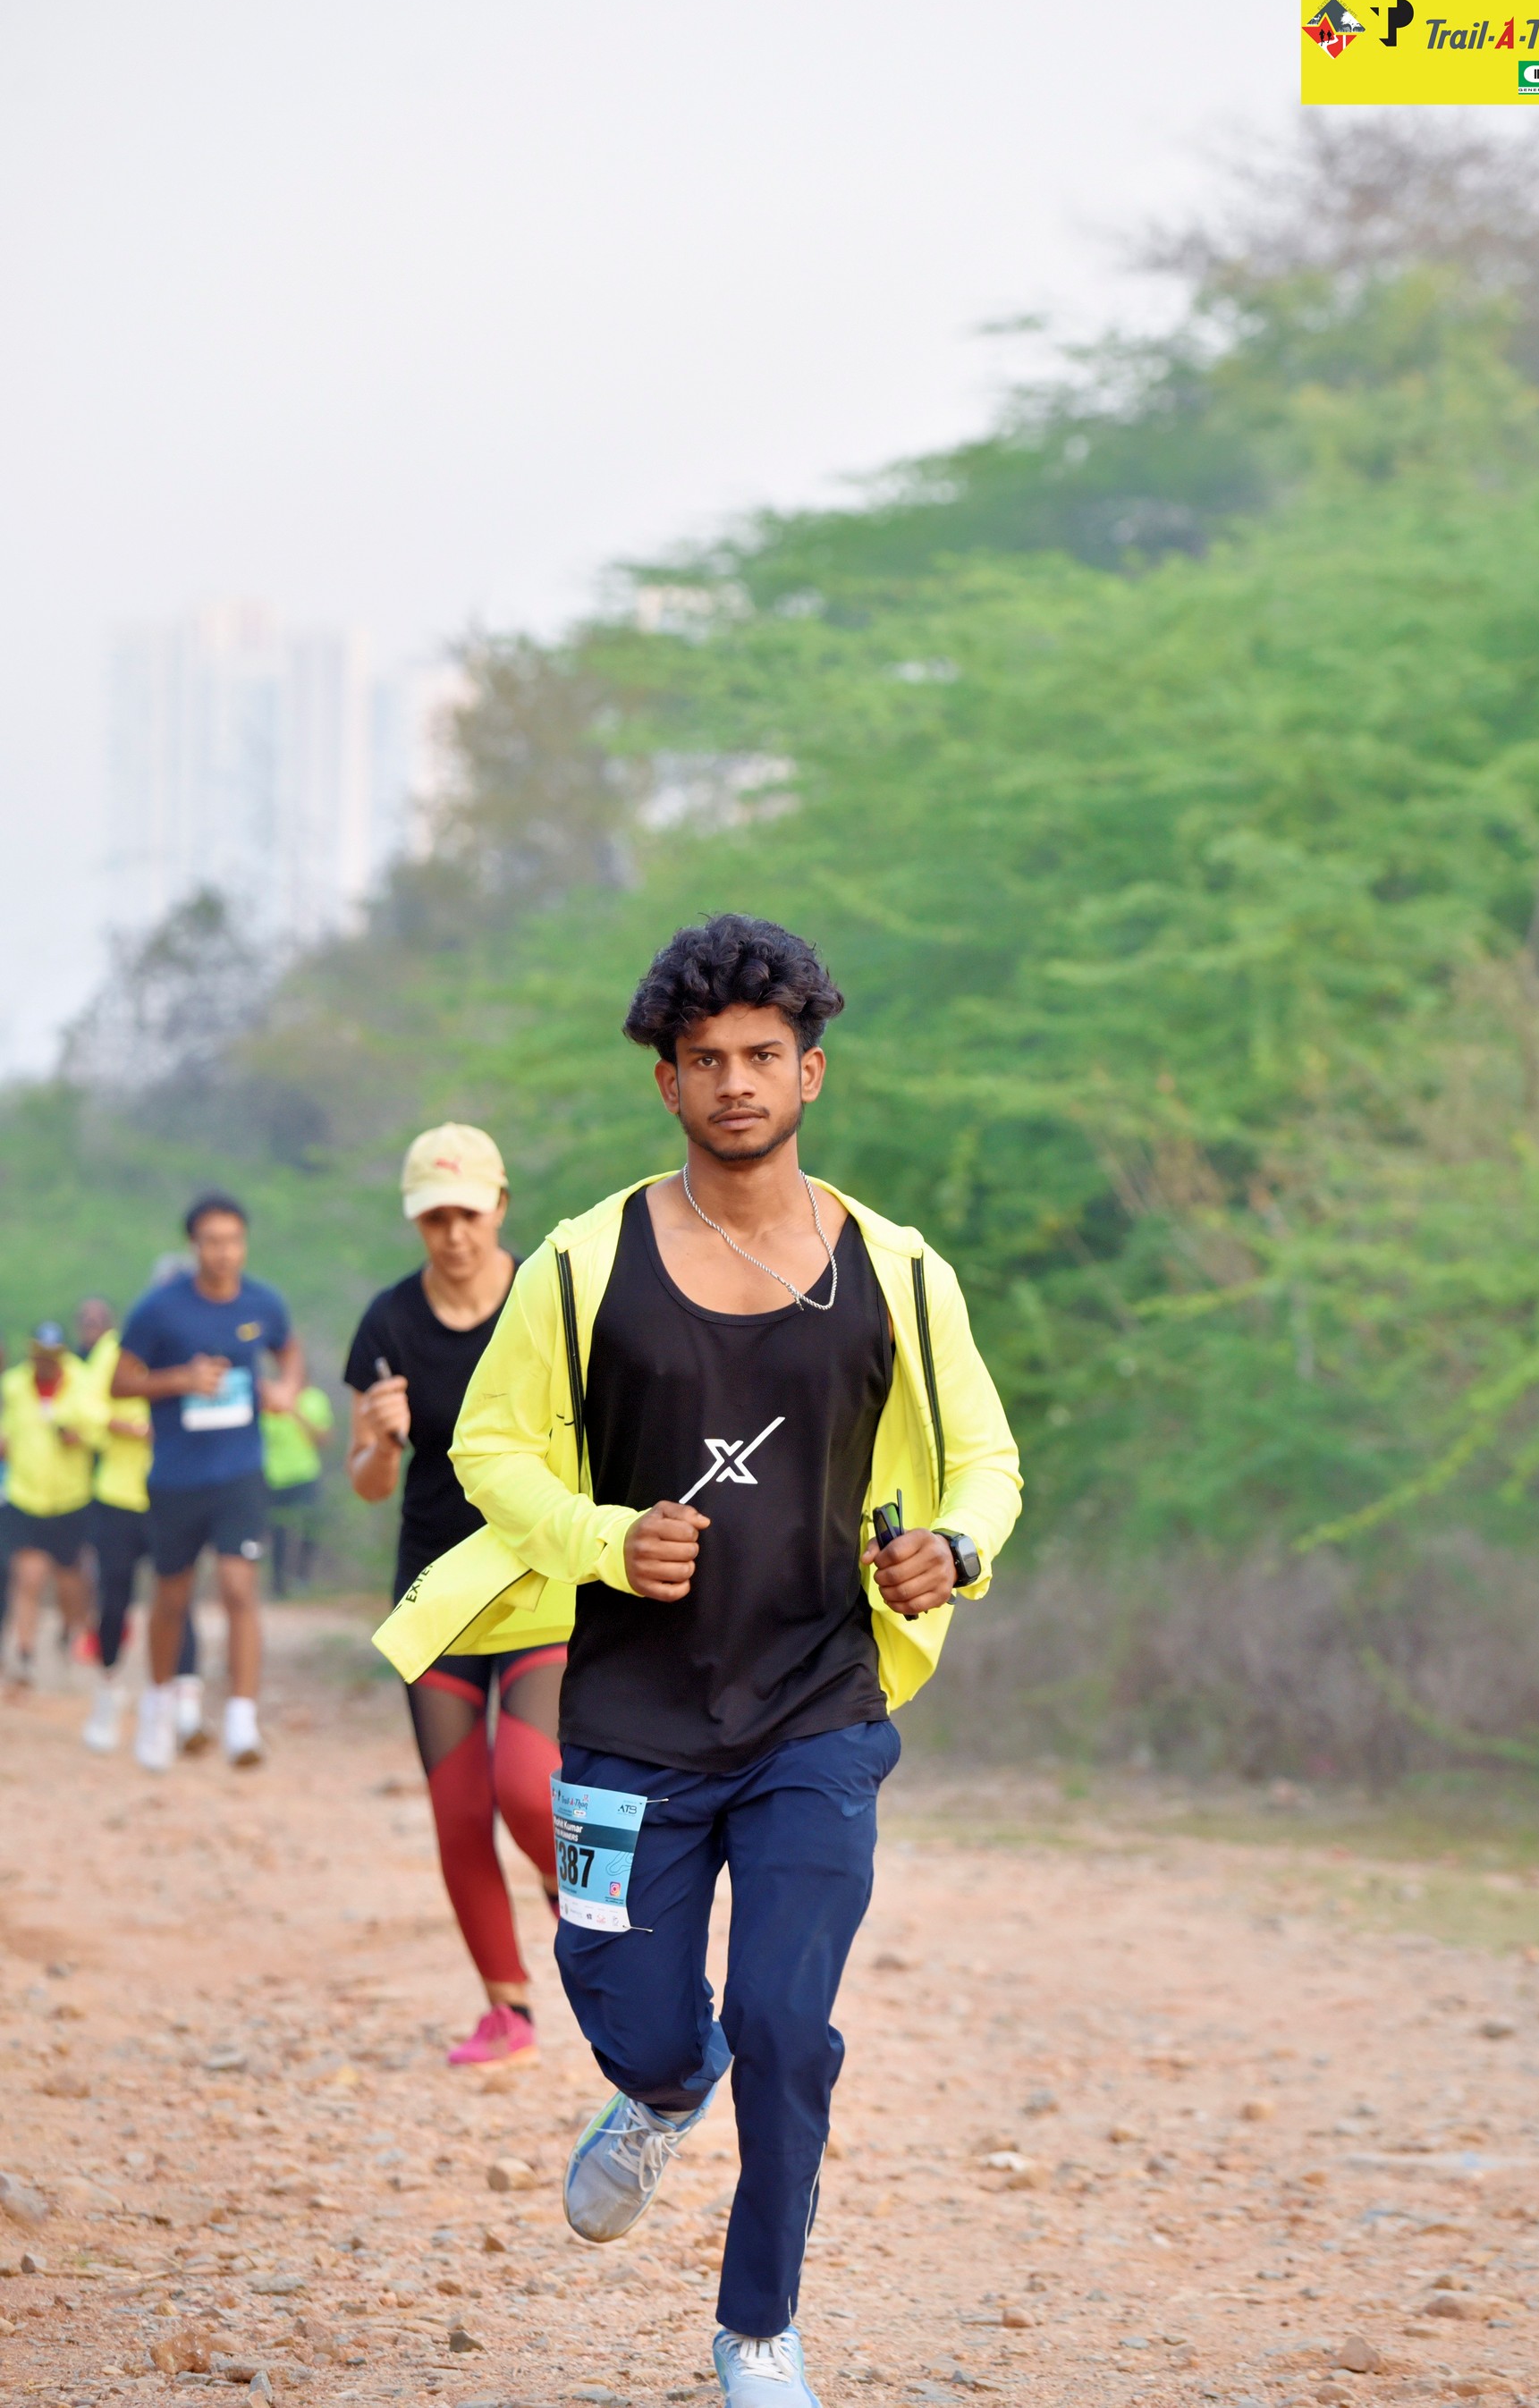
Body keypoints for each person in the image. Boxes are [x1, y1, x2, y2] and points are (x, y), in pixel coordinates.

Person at [375, 917, 1021, 2408]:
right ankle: (663, 2090)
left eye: (762, 1056)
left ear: (811, 1072)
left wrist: (957, 1546)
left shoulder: (897, 1270)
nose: (736, 1082)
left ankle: (759, 2329)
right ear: (666, 1081)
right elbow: (490, 1447)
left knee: (789, 2025)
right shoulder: (581, 1262)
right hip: (628, 1716)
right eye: (707, 1059)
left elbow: (986, 1458)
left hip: (819, 1708)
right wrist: (603, 1538)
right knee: (644, 2013)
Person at [346, 1123, 562, 2066]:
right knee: (460, 1807)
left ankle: (591, 1911)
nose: (454, 1233)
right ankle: (506, 2011)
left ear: (500, 1206)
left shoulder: (547, 1300)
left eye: (468, 1213)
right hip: (437, 1592)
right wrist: (381, 1440)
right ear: (415, 1220)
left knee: (526, 1783)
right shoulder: (388, 1324)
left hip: (539, 1576)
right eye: (434, 1217)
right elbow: (366, 1481)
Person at [113, 1192, 303, 1771]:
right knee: (172, 1597)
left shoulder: (263, 1302)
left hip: (239, 1470)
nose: (224, 1252)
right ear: (193, 1245)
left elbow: (288, 1351)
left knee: (239, 1588)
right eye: (213, 1241)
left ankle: (242, 1721)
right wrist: (181, 1379)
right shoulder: (159, 1309)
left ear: (245, 1243)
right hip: (176, 1475)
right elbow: (120, 1382)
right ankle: (158, 1705)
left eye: (233, 1240)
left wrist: (286, 1388)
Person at [75, 1295, 203, 1755]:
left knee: (178, 1597)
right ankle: (109, 1691)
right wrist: (125, 1428)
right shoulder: (113, 1353)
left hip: (174, 1492)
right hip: (118, 1495)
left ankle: (184, 1704)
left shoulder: (194, 1350)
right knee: (114, 1600)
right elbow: (85, 1409)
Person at [0, 1323, 97, 1690]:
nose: (45, 1361)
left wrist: (79, 1435)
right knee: (28, 1576)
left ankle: (69, 1635)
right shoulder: (14, 1386)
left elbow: (97, 1426)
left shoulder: (82, 1382)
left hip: (70, 1497)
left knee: (69, 1581)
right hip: (26, 1495)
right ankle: (25, 1653)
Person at [263, 1382, 334, 1596]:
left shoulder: (315, 1398)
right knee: (278, 1532)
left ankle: (303, 1579)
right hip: (273, 1477)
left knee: (311, 1527)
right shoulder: (268, 1398)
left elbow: (323, 1439)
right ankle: (278, 1586)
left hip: (306, 1474)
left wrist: (294, 1411)